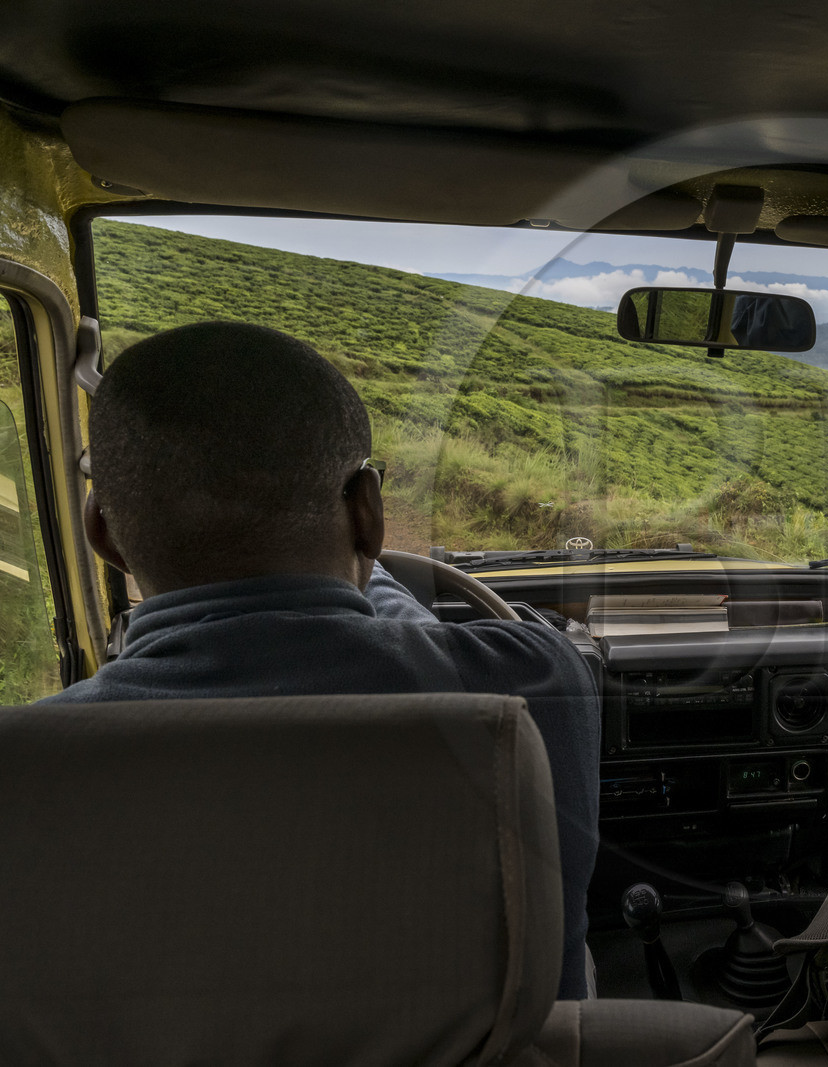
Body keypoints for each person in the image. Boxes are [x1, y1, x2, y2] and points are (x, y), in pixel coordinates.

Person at [38, 321, 600, 1000]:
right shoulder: (533, 681)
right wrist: (371, 580)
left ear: (101, 533)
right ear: (370, 511)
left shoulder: (30, 767)